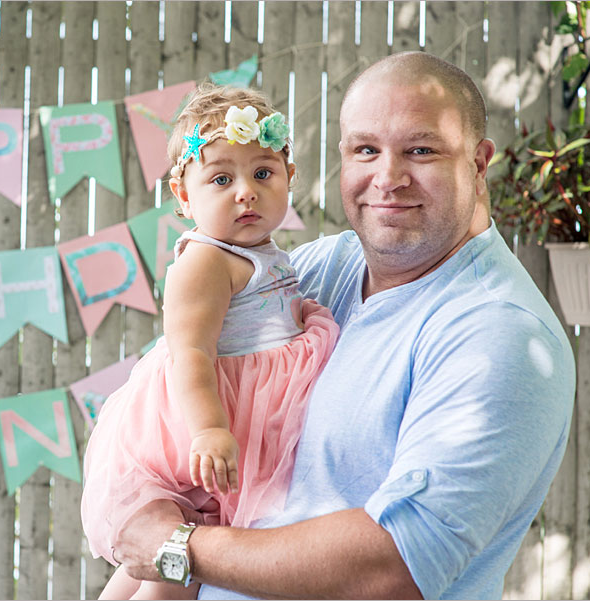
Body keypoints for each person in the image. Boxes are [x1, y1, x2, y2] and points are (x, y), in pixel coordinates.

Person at [110, 51, 577, 600]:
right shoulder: (315, 271)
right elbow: (180, 418)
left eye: (420, 150)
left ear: (477, 163)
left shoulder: (499, 336)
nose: (389, 178)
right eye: (365, 150)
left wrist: (178, 549)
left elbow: (395, 566)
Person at [80, 85, 340, 600]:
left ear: (290, 177)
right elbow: (191, 354)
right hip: (199, 419)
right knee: (176, 552)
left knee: (176, 556)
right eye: (221, 178)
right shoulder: (204, 261)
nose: (246, 191)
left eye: (263, 173)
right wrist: (209, 430)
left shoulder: (264, 252)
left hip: (238, 412)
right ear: (183, 196)